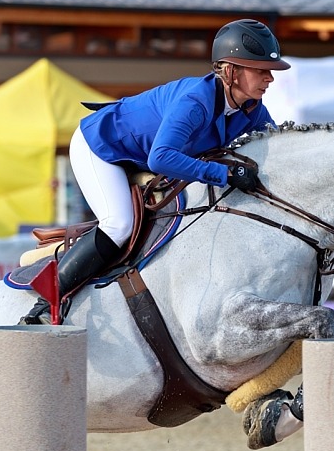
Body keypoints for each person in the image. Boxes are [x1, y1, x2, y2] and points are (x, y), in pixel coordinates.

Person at [20, 19, 290, 325]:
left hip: (142, 160)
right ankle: (46, 302)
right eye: (260, 70)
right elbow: (161, 157)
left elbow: (279, 152)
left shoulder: (254, 110)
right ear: (230, 71)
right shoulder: (195, 102)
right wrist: (225, 175)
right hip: (103, 148)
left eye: (270, 71)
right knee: (119, 225)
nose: (269, 78)